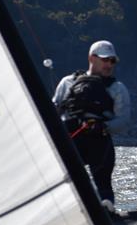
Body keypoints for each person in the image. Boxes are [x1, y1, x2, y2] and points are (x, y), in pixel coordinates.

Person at [53, 40, 131, 210]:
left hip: (99, 142)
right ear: (91, 58)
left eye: (112, 61)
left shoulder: (118, 89)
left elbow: (123, 122)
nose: (109, 64)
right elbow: (53, 113)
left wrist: (103, 127)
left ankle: (107, 209)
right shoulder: (67, 82)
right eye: (105, 59)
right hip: (72, 143)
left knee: (103, 184)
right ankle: (72, 211)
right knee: (69, 183)